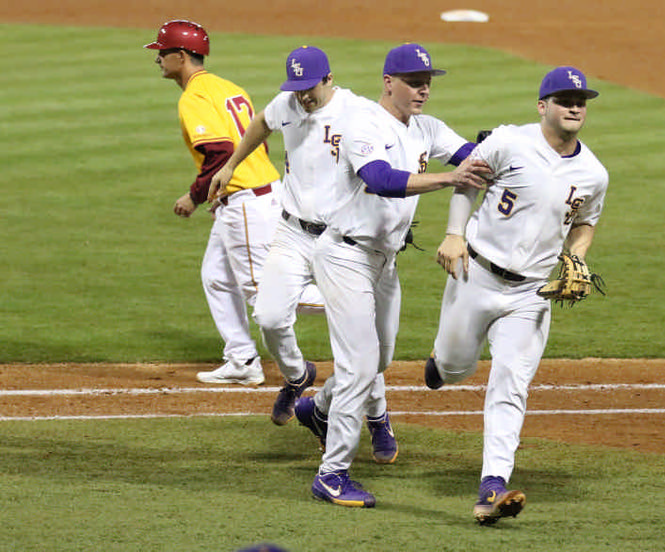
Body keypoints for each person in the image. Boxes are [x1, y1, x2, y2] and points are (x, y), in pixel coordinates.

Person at [308, 43, 491, 508]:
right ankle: (331, 475)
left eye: (427, 80)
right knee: (360, 365)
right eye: (412, 80)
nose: (422, 89)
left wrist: (501, 151)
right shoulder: (363, 123)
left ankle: (319, 407)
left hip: (385, 262)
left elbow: (473, 155)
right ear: (388, 82)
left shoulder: (427, 128)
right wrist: (451, 180)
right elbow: (380, 178)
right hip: (345, 256)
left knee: (380, 359)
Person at [425, 66, 609, 525]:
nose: (574, 106)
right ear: (542, 106)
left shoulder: (594, 173)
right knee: (452, 367)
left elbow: (585, 220)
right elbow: (467, 181)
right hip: (476, 275)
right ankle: (441, 364)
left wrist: (578, 256)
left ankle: (492, 486)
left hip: (532, 292)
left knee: (510, 384)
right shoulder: (509, 141)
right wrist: (454, 234)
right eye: (564, 98)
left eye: (580, 100)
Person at [208, 46, 398, 463]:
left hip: (344, 242)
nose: (303, 97)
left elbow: (389, 160)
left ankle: (378, 416)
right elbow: (261, 122)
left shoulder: (360, 113)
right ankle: (298, 376)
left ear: (329, 78)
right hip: (292, 232)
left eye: (309, 89)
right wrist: (231, 165)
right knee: (270, 317)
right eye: (296, 90)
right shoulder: (287, 104)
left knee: (357, 335)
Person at [144, 19, 284, 385]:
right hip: (250, 193)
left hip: (248, 202)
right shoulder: (228, 87)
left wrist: (194, 196)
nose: (158, 59)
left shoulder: (194, 96)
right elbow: (257, 142)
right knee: (217, 277)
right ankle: (242, 359)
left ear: (180, 56)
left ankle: (345, 309)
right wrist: (219, 191)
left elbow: (220, 153)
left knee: (262, 291)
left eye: (162, 53)